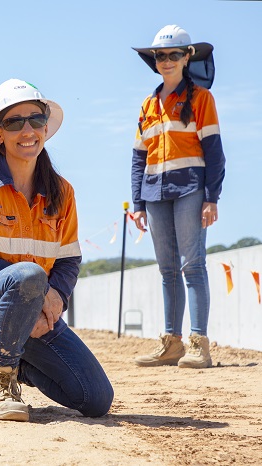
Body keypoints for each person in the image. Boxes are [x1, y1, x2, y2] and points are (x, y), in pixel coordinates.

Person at [0, 79, 113, 422]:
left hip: (29, 311)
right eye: (15, 122)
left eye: (35, 119)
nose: (27, 129)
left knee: (95, 399)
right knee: (29, 275)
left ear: (46, 126)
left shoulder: (62, 192)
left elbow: (68, 259)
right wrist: (35, 289)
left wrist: (56, 298)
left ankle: (16, 365)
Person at [131, 25, 225, 369]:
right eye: (160, 55)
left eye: (173, 54)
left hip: (190, 189)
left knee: (193, 265)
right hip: (154, 193)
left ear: (187, 57)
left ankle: (200, 344)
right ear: (154, 61)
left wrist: (212, 197)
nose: (166, 61)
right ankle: (172, 344)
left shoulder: (202, 99)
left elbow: (214, 152)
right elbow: (138, 157)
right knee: (167, 269)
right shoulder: (147, 105)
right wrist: (137, 202)